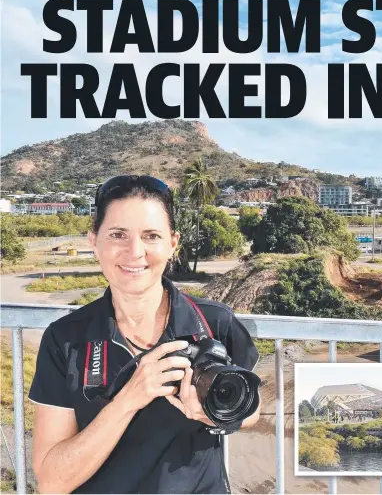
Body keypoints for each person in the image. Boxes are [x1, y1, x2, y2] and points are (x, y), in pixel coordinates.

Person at [28, 175, 261, 494]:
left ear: (172, 243)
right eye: (118, 235)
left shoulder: (213, 322)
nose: (135, 251)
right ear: (94, 241)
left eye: (151, 235)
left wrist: (212, 414)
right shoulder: (64, 339)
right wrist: (129, 399)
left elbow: (251, 406)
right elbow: (52, 482)